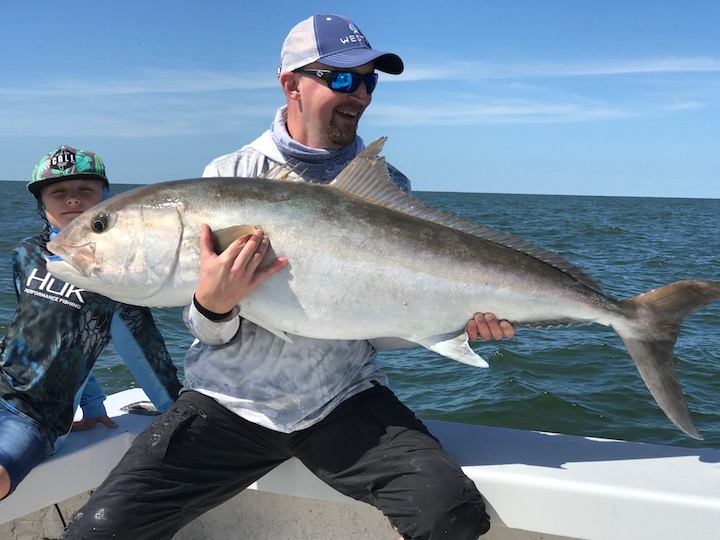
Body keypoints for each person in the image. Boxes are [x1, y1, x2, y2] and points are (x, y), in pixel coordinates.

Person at [62, 15, 514, 540]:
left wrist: (456, 324)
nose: (360, 94)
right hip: (228, 403)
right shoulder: (229, 176)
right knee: (98, 532)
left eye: (369, 80)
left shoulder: (386, 185)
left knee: (450, 514)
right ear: (291, 84)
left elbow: (379, 325)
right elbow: (205, 328)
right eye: (341, 78)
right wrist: (213, 306)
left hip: (342, 400)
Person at [0, 146, 182, 501]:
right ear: (42, 203)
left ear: (106, 199)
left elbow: (147, 356)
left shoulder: (116, 278)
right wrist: (94, 405)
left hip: (35, 418)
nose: (71, 201)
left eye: (85, 190)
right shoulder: (25, 253)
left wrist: (176, 416)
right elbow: (54, 340)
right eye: (58, 192)